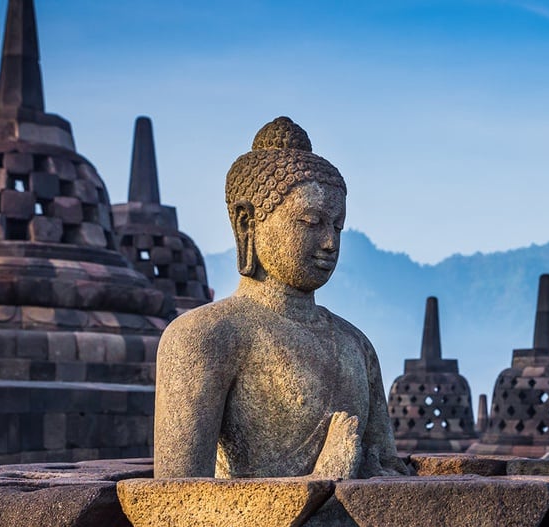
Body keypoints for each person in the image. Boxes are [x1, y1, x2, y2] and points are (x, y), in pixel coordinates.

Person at [153, 117, 408, 479]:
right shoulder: (204, 337)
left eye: (337, 226)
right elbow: (173, 508)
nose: (330, 243)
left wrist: (374, 475)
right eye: (311, 222)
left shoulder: (357, 346)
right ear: (247, 222)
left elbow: (389, 472)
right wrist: (323, 482)